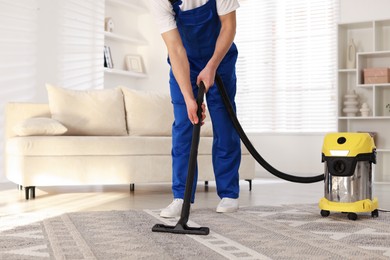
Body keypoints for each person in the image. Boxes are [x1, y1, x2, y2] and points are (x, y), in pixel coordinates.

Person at [150, 0, 241, 218]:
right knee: (184, 127)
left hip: (220, 59)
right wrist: (189, 98)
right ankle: (181, 197)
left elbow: (229, 27)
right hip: (184, 64)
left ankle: (229, 194)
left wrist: (211, 66)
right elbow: (175, 47)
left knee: (224, 124)